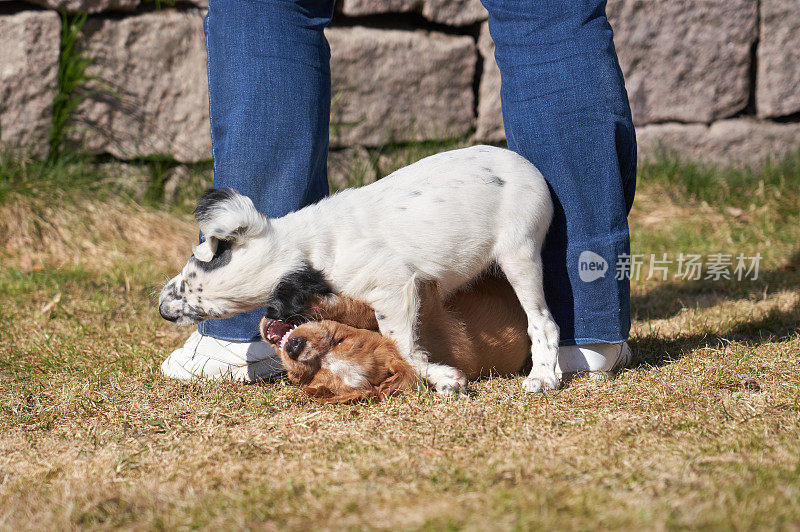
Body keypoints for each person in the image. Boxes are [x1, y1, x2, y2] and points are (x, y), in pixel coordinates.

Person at [161, 0, 637, 383]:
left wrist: (411, 359)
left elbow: (392, 280)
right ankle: (586, 319)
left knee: (268, 3)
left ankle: (238, 337)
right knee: (541, 9)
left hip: (497, 198)